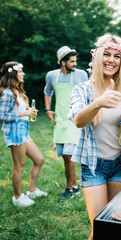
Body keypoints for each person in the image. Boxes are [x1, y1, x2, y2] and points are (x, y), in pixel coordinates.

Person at [68, 34, 121, 240]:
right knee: (99, 231)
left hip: (119, 165)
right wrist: (98, 102)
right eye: (106, 54)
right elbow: (78, 121)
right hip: (94, 166)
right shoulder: (83, 90)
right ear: (97, 57)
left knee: (116, 226)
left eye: (116, 56)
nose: (111, 60)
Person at [0, 61, 47, 207]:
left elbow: (19, 111)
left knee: (39, 160)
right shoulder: (7, 93)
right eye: (20, 71)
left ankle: (31, 190)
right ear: (13, 74)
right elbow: (2, 116)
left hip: (23, 130)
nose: (23, 73)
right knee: (19, 166)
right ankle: (17, 197)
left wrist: (29, 111)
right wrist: (24, 112)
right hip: (14, 132)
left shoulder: (19, 91)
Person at [44, 46, 88, 201]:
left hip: (74, 120)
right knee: (64, 156)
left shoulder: (81, 74)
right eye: (72, 61)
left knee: (69, 155)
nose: (75, 64)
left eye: (75, 61)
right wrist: (48, 109)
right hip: (60, 120)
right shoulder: (51, 76)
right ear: (63, 62)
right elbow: (47, 92)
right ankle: (74, 186)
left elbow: (88, 93)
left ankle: (69, 188)